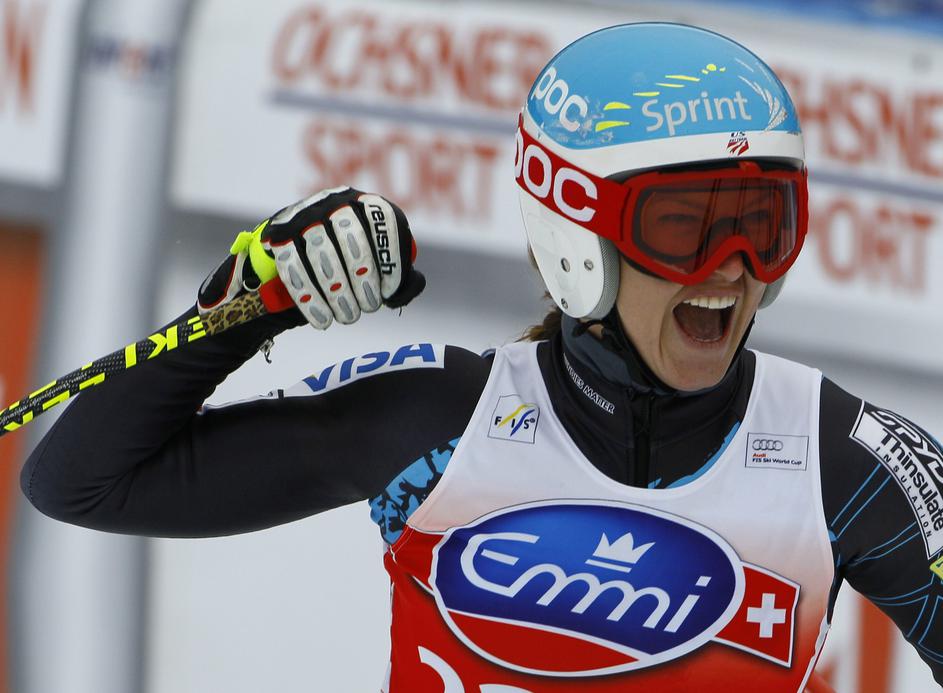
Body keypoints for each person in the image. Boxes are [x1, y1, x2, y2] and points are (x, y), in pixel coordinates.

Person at [20, 22, 943, 692]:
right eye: (684, 227)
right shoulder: (436, 420)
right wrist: (249, 301)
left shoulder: (846, 460)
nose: (732, 268)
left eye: (761, 225)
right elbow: (81, 482)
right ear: (579, 239)